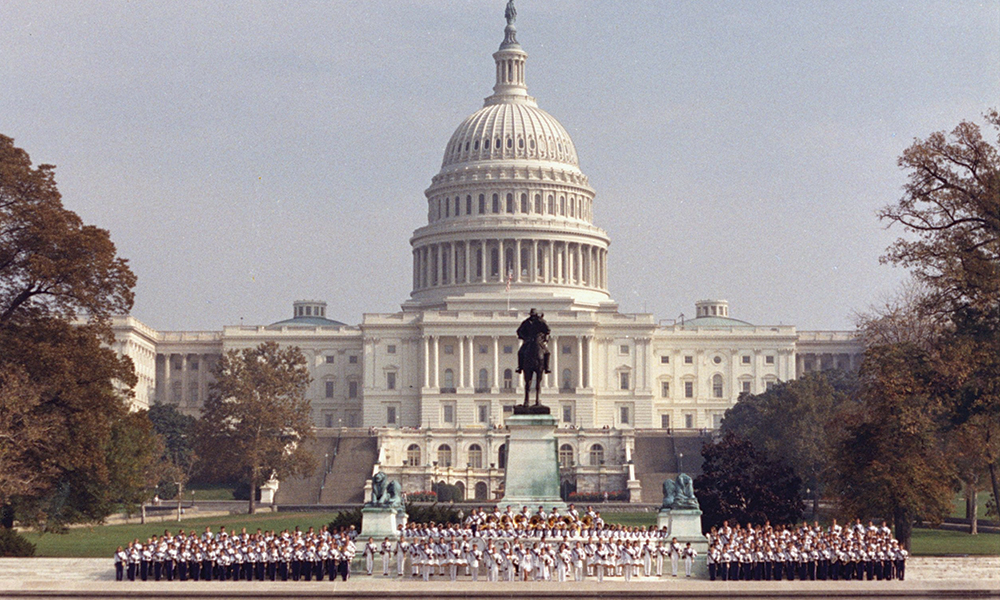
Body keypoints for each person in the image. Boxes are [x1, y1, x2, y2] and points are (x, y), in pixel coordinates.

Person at [515, 308, 550, 374]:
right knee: (520, 352)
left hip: (539, 341)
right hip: (528, 341)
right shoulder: (526, 322)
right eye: (532, 315)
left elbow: (548, 330)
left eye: (534, 315)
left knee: (547, 353)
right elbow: (519, 331)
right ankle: (519, 367)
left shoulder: (540, 322)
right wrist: (524, 337)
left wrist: (544, 339)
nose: (532, 317)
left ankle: (546, 367)